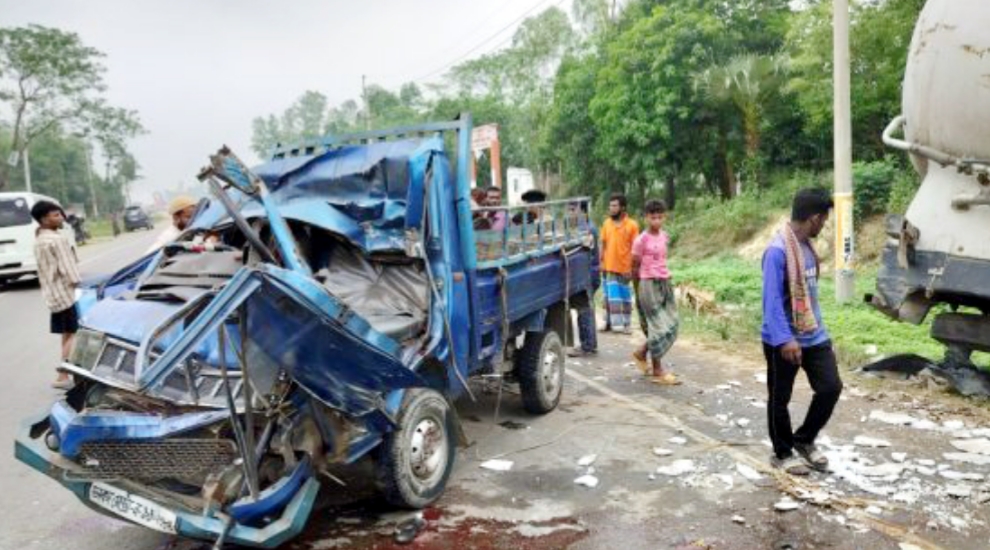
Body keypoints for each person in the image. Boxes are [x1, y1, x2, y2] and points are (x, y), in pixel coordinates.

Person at [762, 188, 841, 476]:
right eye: (824, 220)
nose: (824, 225)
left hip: (814, 334)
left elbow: (807, 294)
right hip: (782, 339)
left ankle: (804, 440)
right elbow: (771, 302)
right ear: (814, 218)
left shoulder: (806, 246)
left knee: (831, 387)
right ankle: (782, 452)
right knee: (779, 398)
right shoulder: (777, 252)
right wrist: (785, 338)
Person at [31, 200, 82, 390]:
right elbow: (69, 270)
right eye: (55, 215)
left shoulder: (40, 239)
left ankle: (65, 374)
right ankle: (62, 376)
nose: (60, 217)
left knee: (68, 333)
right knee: (75, 333)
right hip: (65, 293)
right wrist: (79, 283)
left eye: (60, 214)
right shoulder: (56, 240)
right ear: (44, 220)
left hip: (52, 294)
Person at [631, 199, 679, 385]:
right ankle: (658, 369)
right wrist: (637, 288)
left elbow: (662, 261)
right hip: (647, 284)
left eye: (660, 217)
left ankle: (642, 352)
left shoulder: (664, 236)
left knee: (672, 323)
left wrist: (666, 278)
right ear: (646, 218)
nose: (656, 221)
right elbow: (634, 266)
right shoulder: (641, 240)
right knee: (657, 326)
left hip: (664, 282)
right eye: (653, 217)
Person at [599, 193, 639, 334]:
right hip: (609, 267)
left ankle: (626, 325)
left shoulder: (632, 225)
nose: (611, 208)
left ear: (622, 207)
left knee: (625, 297)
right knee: (609, 296)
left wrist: (632, 268)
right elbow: (603, 244)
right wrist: (601, 262)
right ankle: (609, 323)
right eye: (610, 206)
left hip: (625, 268)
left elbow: (635, 249)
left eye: (615, 206)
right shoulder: (606, 223)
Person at [567, 201, 599, 358]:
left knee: (584, 309)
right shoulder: (583, 227)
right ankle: (590, 344)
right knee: (587, 309)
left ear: (583, 211)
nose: (570, 213)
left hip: (588, 274)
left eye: (573, 210)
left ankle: (587, 345)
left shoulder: (586, 230)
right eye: (569, 210)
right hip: (589, 272)